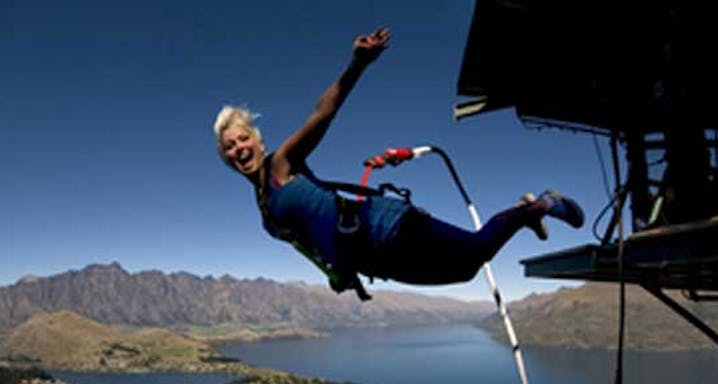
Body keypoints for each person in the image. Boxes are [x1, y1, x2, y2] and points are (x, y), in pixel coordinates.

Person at [213, 27, 583, 298]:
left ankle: (540, 205)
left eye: (243, 139)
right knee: (466, 272)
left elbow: (322, 114)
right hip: (373, 259)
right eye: (229, 146)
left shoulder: (282, 164)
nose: (239, 149)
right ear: (224, 157)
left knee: (473, 254)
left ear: (258, 142)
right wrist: (341, 271)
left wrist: (356, 65)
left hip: (385, 226)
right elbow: (310, 242)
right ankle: (525, 212)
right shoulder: (264, 210)